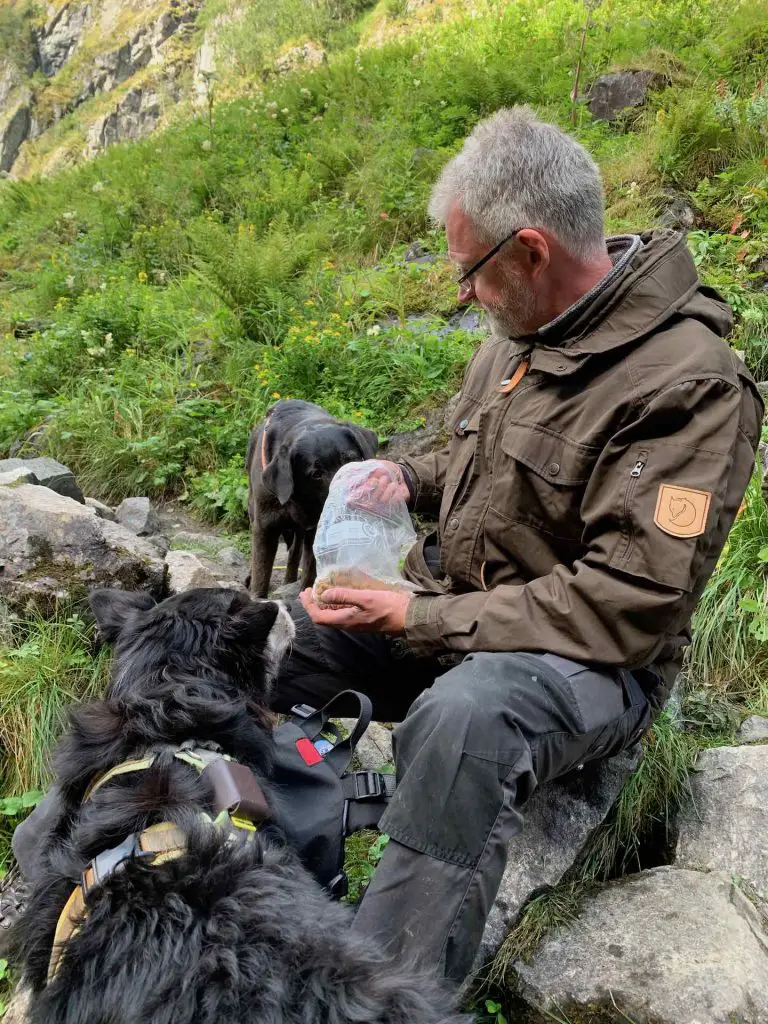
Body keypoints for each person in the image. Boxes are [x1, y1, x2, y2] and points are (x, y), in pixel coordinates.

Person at [271, 105, 763, 985]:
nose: (463, 294)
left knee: (466, 723)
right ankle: (245, 884)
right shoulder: (515, 339)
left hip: (586, 666)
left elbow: (629, 605)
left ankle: (386, 996)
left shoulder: (690, 383)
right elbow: (477, 457)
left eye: (470, 272)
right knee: (274, 645)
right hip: (456, 614)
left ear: (531, 250)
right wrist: (405, 479)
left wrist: (422, 617)